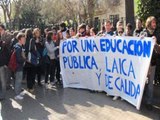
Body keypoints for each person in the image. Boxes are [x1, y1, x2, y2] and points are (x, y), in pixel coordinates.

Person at [140, 16, 160, 110]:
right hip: (143, 64)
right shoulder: (143, 33)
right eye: (153, 23)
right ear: (149, 23)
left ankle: (149, 102)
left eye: (155, 22)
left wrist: (155, 43)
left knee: (150, 85)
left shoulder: (157, 34)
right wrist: (140, 39)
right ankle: (139, 99)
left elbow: (159, 50)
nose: (154, 24)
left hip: (152, 63)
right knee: (142, 82)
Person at [0, 24, 13, 90]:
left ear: (3, 29)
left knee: (8, 70)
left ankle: (8, 84)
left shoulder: (8, 35)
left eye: (0, 29)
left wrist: (2, 38)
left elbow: (5, 43)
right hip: (1, 56)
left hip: (6, 56)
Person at [14, 33, 26, 100]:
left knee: (19, 80)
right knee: (18, 80)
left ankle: (18, 92)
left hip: (19, 66)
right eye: (23, 39)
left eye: (24, 39)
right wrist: (24, 59)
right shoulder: (18, 48)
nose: (24, 40)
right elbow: (18, 59)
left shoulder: (19, 46)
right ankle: (17, 94)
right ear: (19, 40)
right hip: (18, 67)